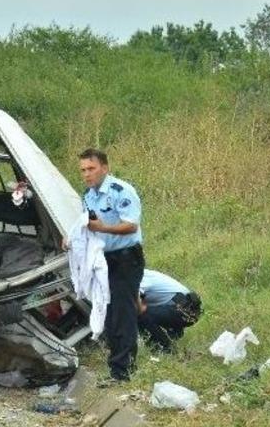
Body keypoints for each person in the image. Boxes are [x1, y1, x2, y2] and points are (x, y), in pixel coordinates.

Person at [79, 148, 145, 382]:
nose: (87, 174)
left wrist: (102, 228)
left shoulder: (120, 191)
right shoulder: (88, 195)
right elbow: (86, 223)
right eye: (83, 170)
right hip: (104, 259)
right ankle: (116, 367)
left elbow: (131, 226)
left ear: (104, 168)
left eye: (91, 169)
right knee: (107, 311)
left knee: (122, 312)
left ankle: (123, 371)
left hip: (126, 257)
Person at [138, 269, 202, 352]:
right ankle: (170, 334)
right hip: (181, 307)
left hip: (185, 309)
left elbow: (136, 306)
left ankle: (166, 348)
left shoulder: (136, 277)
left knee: (140, 313)